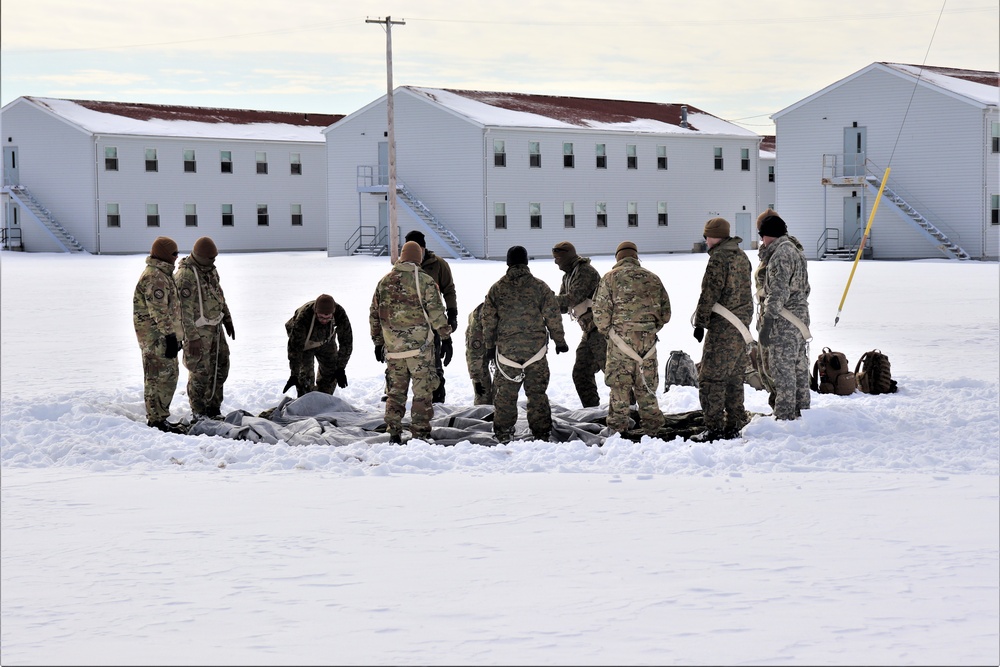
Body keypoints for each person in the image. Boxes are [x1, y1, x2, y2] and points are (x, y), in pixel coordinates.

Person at [481, 246, 568, 443]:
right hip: (535, 353)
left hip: (507, 355)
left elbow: (488, 320)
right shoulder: (540, 287)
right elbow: (553, 316)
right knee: (537, 394)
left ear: (508, 263)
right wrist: (559, 341)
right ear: (527, 262)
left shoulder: (497, 289)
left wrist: (488, 346)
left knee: (505, 396)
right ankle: (541, 433)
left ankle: (503, 432)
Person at [370, 241, 452, 443]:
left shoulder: (384, 282)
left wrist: (378, 342)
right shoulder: (424, 281)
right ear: (418, 258)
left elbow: (375, 315)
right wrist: (446, 337)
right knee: (422, 393)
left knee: (395, 393)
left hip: (394, 351)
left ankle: (394, 432)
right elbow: (436, 312)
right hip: (420, 351)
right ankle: (420, 434)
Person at [592, 241, 671, 437]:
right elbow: (666, 313)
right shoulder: (653, 279)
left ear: (617, 257)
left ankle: (618, 430)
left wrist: (611, 333)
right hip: (647, 344)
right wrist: (648, 330)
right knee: (646, 387)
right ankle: (654, 428)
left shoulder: (609, 279)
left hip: (619, 343)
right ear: (636, 257)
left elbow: (600, 313)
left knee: (619, 388)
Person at [690, 218, 753, 442]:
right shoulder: (742, 256)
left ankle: (714, 428)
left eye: (707, 236)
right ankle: (735, 424)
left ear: (715, 236)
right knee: (734, 378)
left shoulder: (718, 259)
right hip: (741, 326)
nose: (705, 240)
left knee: (710, 379)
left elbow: (709, 293)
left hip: (723, 328)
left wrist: (700, 322)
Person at [755, 209, 812, 420]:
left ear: (768, 234)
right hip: (799, 318)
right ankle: (803, 412)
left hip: (784, 320)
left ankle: (785, 415)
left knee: (783, 369)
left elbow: (778, 291)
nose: (762, 241)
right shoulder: (795, 249)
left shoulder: (780, 254)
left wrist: (768, 321)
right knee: (798, 367)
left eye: (762, 236)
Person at [174, 236, 235, 420]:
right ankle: (199, 411)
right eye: (211, 258)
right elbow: (182, 311)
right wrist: (191, 337)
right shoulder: (186, 276)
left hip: (215, 328)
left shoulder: (210, 271)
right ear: (200, 256)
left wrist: (227, 319)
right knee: (200, 372)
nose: (214, 261)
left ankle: (213, 407)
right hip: (198, 332)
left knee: (221, 367)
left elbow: (219, 296)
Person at [132, 236, 186, 433]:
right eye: (173, 254)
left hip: (163, 336)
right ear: (164, 255)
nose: (176, 257)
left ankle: (160, 416)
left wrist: (176, 335)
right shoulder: (155, 277)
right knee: (158, 377)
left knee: (168, 376)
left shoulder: (163, 274)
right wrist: (169, 335)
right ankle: (156, 420)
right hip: (155, 338)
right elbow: (159, 310)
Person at [403, 230, 457, 403]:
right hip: (407, 325)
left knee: (434, 362)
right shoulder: (401, 267)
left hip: (432, 323)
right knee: (403, 362)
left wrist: (452, 312)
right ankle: (396, 395)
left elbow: (448, 289)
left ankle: (438, 395)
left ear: (424, 248)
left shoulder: (438, 264)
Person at [552, 241, 606, 408]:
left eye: (558, 258)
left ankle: (631, 410)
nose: (556, 262)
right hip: (589, 331)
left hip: (602, 330)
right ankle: (592, 411)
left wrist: (545, 299)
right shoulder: (568, 275)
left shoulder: (585, 272)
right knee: (581, 373)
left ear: (567, 257)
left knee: (614, 375)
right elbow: (562, 306)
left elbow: (573, 297)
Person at [284, 294, 353, 397]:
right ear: (315, 311)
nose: (324, 320)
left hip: (326, 341)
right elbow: (295, 347)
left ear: (333, 313)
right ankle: (306, 402)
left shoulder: (340, 313)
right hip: (304, 344)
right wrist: (294, 374)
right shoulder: (304, 316)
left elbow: (346, 342)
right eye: (321, 317)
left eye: (328, 317)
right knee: (305, 381)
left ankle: (322, 400)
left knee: (331, 374)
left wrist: (340, 368)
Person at [465, 301, 494, 405]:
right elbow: (474, 354)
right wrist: (477, 379)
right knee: (483, 393)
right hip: (480, 349)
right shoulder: (478, 324)